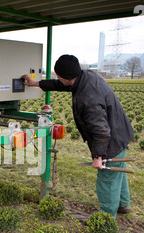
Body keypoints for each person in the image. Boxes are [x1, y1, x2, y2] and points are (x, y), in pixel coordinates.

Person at [22, 54, 134, 218]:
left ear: (65, 77)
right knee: (118, 171)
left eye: (58, 76)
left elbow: (102, 131)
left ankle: (106, 218)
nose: (58, 79)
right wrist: (36, 83)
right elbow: (60, 85)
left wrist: (98, 156)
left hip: (111, 137)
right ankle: (123, 205)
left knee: (107, 179)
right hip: (119, 130)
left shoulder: (88, 98)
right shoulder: (85, 76)